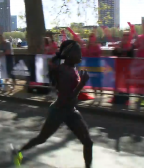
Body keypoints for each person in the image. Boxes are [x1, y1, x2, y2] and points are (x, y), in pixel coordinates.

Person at [11, 40, 93, 168]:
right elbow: (69, 98)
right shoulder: (65, 71)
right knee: (42, 138)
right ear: (70, 54)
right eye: (78, 52)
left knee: (88, 142)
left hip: (70, 111)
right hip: (59, 111)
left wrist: (80, 85)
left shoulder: (71, 68)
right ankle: (18, 154)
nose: (81, 54)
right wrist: (81, 84)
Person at [109, 31, 135, 105]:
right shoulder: (119, 45)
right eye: (124, 35)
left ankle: (127, 99)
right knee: (116, 83)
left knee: (127, 84)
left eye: (127, 35)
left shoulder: (131, 45)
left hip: (127, 69)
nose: (125, 37)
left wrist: (128, 50)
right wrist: (116, 49)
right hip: (119, 68)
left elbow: (132, 55)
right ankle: (115, 97)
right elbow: (113, 54)